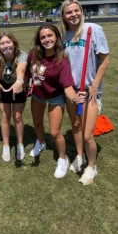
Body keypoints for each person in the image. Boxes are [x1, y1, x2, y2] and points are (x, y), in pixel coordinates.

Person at [60, 0, 110, 185]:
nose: (73, 15)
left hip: (90, 90)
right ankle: (79, 156)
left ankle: (92, 166)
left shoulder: (93, 30)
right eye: (68, 12)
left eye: (76, 10)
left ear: (81, 11)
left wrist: (95, 85)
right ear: (63, 16)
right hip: (72, 91)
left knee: (88, 134)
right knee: (75, 125)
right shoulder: (64, 36)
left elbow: (105, 60)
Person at [26, 24, 85, 179]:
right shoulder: (33, 54)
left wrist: (74, 98)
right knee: (37, 123)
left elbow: (67, 87)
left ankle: (62, 159)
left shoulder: (62, 61)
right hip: (38, 94)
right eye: (43, 37)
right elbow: (26, 72)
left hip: (55, 97)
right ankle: (41, 142)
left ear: (57, 37)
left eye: (50, 36)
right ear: (39, 40)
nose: (47, 39)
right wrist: (22, 83)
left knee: (54, 132)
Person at [0, 32, 27, 162]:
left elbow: (21, 70)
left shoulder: (22, 55)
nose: (6, 45)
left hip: (18, 86)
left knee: (17, 117)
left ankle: (20, 144)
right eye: (2, 43)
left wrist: (19, 81)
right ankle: (6, 145)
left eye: (8, 42)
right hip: (3, 87)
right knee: (5, 117)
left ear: (14, 43)